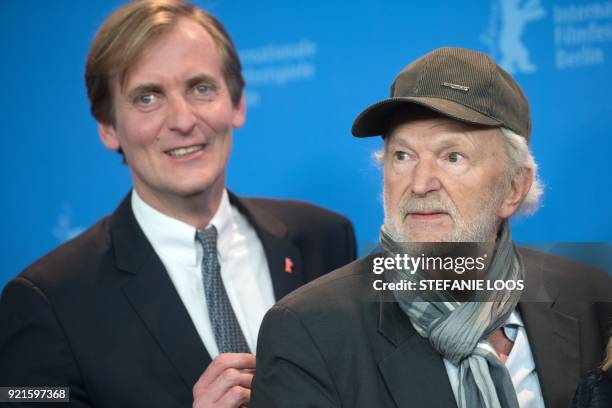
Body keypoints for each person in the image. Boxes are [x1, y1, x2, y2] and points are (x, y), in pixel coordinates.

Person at [0, 1, 356, 407]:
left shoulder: (324, 238)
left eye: (201, 88)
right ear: (108, 127)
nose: (182, 120)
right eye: (148, 98)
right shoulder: (46, 302)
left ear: (237, 104)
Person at [250, 47, 612, 408]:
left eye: (452, 157)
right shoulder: (311, 329)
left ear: (513, 187)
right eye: (402, 156)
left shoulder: (588, 298)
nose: (420, 183)